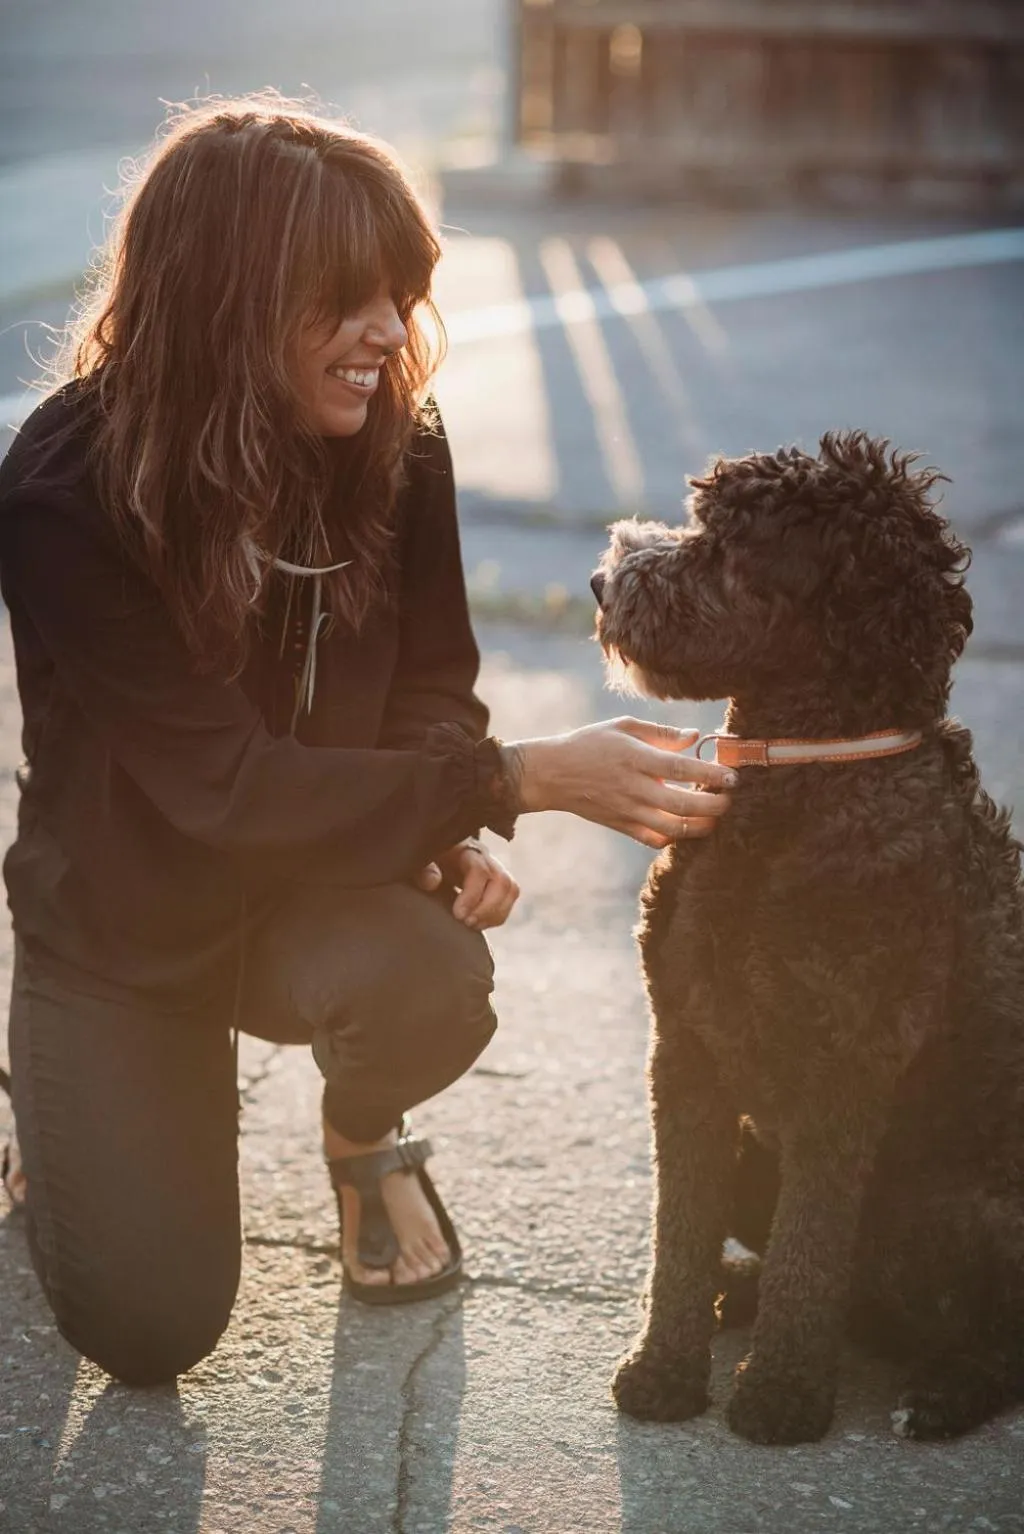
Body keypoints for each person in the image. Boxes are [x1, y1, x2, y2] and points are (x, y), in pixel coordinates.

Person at [0, 99, 732, 1385]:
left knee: (429, 982)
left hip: (311, 895)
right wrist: (518, 780)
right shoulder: (67, 492)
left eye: (399, 293)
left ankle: (359, 1135)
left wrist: (439, 820)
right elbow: (224, 787)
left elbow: (434, 682)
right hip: (125, 927)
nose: (389, 333)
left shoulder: (398, 440)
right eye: (346, 300)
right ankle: (55, 1112)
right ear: (227, 297)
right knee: (150, 1334)